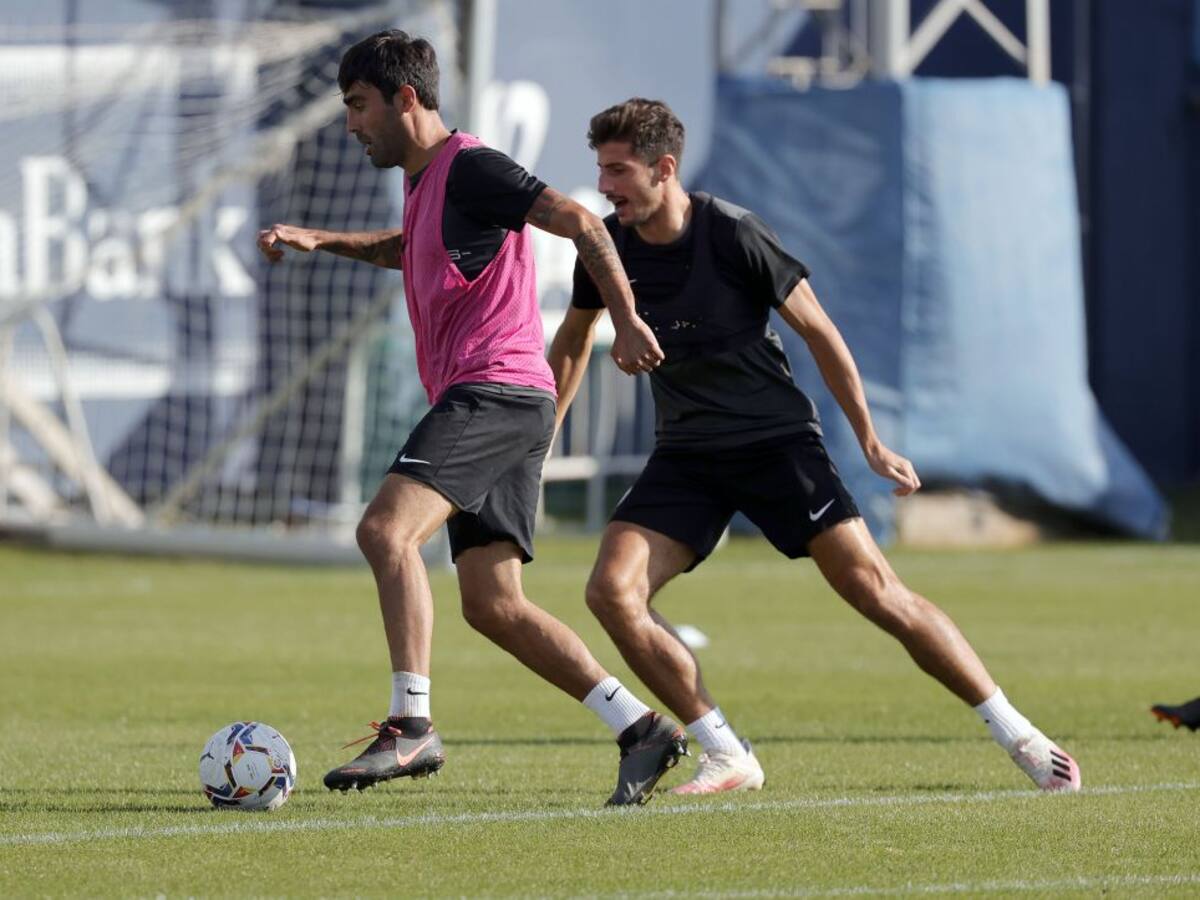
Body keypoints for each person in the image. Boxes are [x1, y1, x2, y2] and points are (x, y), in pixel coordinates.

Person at [548, 98, 1081, 795]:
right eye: (601, 170)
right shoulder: (605, 249)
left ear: (664, 169)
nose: (606, 185)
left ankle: (1020, 735)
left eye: (619, 170)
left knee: (877, 592)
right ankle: (725, 750)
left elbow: (821, 333)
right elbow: (573, 341)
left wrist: (870, 441)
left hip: (776, 446)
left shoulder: (733, 233)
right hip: (687, 456)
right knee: (612, 593)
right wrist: (541, 441)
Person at [257, 35, 687, 806]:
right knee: (492, 604)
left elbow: (583, 223)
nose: (351, 124)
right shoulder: (427, 184)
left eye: (358, 106)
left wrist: (625, 319)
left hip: (494, 393)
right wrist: (325, 241)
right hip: (503, 400)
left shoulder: (472, 165)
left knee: (385, 533)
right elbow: (408, 248)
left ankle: (411, 725)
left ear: (406, 101)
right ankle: (640, 729)